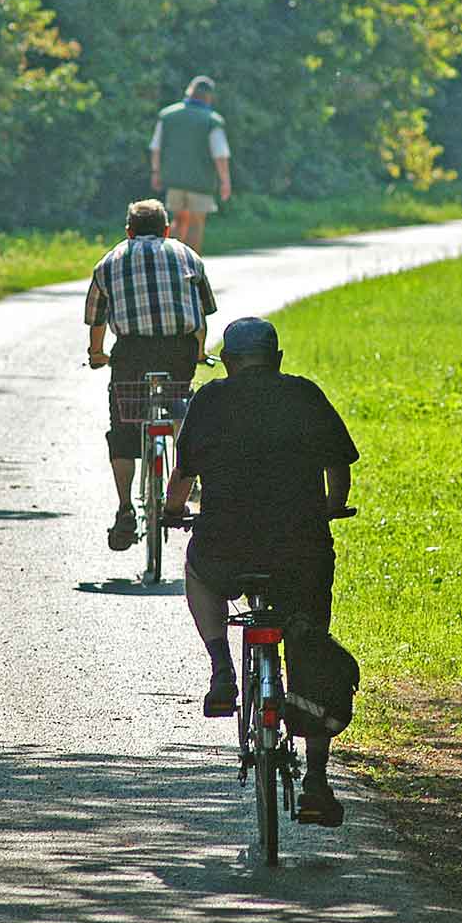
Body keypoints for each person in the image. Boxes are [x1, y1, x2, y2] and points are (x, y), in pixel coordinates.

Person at [162, 317, 360, 827]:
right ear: (277, 358)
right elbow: (339, 464)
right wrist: (332, 506)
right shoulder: (304, 395)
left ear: (228, 361)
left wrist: (172, 510)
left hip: (226, 544)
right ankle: (316, 779)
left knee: (197, 571)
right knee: (310, 646)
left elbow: (184, 471)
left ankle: (221, 667)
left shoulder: (210, 400)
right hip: (300, 547)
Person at [85, 199, 218, 551]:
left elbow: (97, 320)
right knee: (179, 402)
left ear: (128, 231)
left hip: (131, 355)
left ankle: (125, 507)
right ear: (167, 229)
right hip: (178, 353)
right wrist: (200, 352)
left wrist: (97, 354)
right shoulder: (188, 256)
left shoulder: (109, 262)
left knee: (124, 426)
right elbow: (201, 316)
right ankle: (188, 473)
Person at [150, 75, 233, 253]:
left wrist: (156, 172)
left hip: (174, 180)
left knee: (178, 220)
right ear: (208, 96)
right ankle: (191, 268)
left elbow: (156, 147)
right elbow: (220, 155)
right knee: (196, 222)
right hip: (200, 182)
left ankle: (169, 261)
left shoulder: (167, 116)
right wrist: (225, 181)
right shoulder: (212, 120)